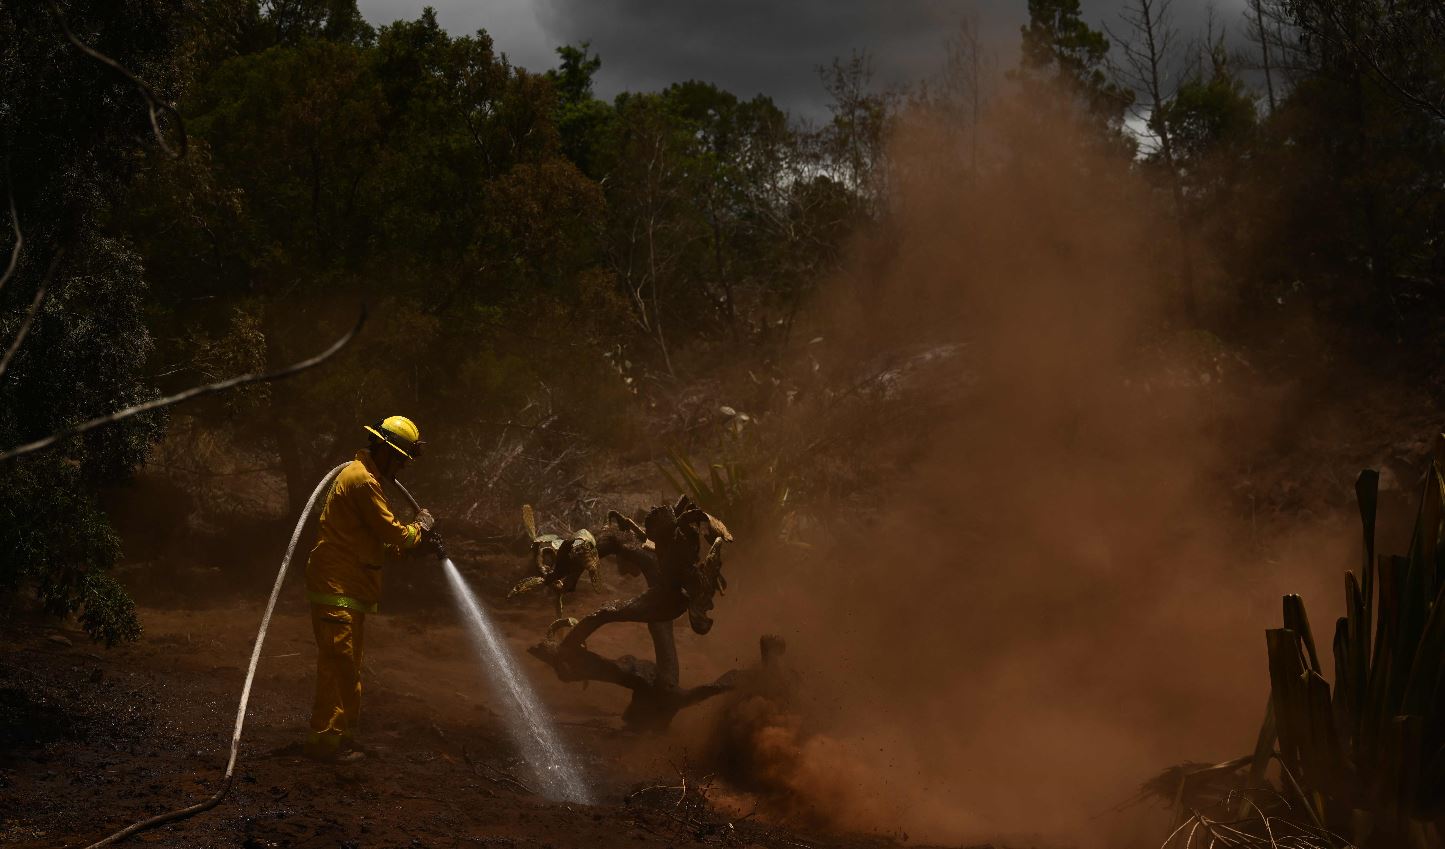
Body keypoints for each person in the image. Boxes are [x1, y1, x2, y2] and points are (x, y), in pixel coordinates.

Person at [302, 415, 437, 762]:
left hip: (350, 587)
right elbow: (393, 531)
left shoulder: (366, 478)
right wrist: (419, 528)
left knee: (346, 666)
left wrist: (404, 547)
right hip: (337, 585)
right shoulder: (362, 481)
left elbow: (369, 536)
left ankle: (338, 739)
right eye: (401, 460)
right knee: (338, 666)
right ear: (387, 452)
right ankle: (328, 743)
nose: (402, 469)